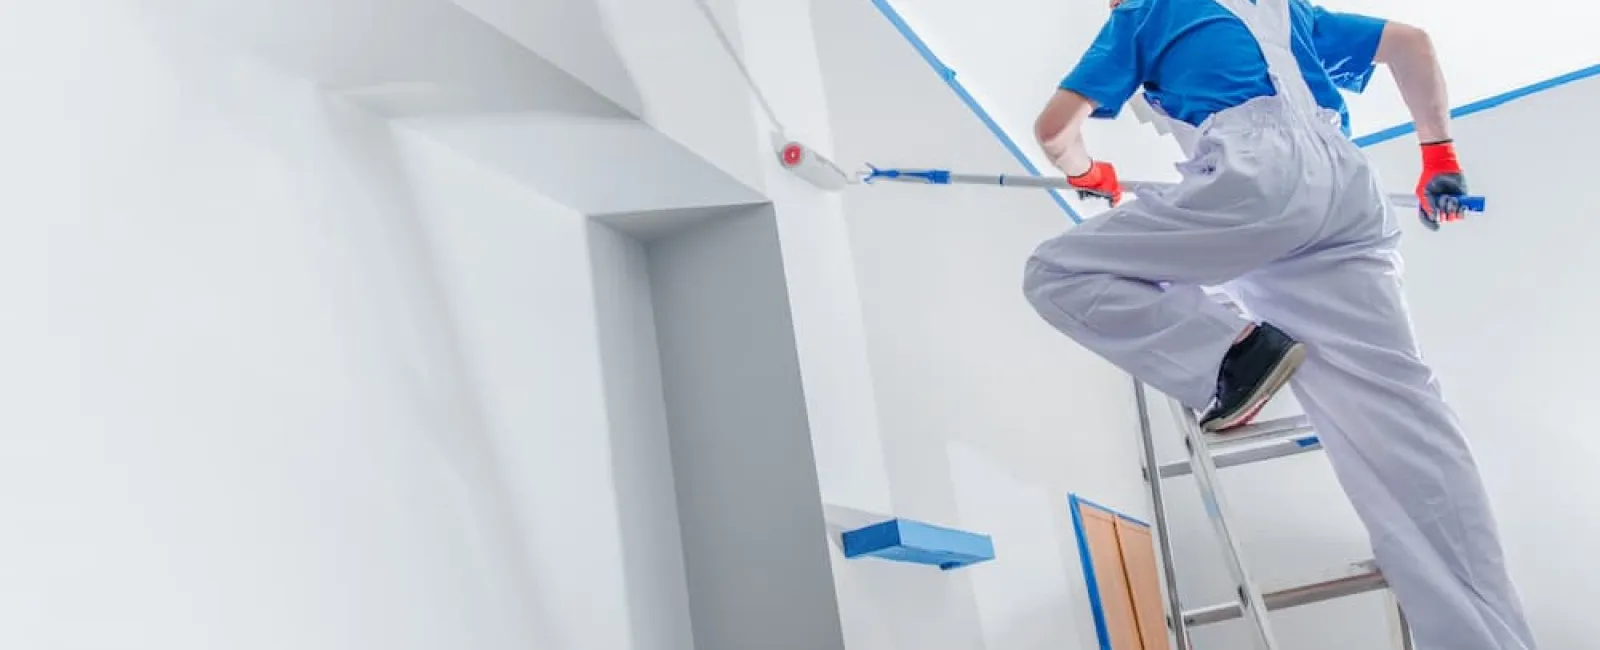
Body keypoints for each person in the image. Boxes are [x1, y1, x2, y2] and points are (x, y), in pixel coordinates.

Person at [1020, 0, 1538, 648]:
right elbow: (1412, 44)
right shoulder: (1285, 9)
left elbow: (1054, 130)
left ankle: (1237, 355)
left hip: (1257, 182)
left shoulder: (1145, 11)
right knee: (1409, 437)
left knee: (1058, 273)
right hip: (1350, 193)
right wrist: (1438, 157)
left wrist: (1087, 174)